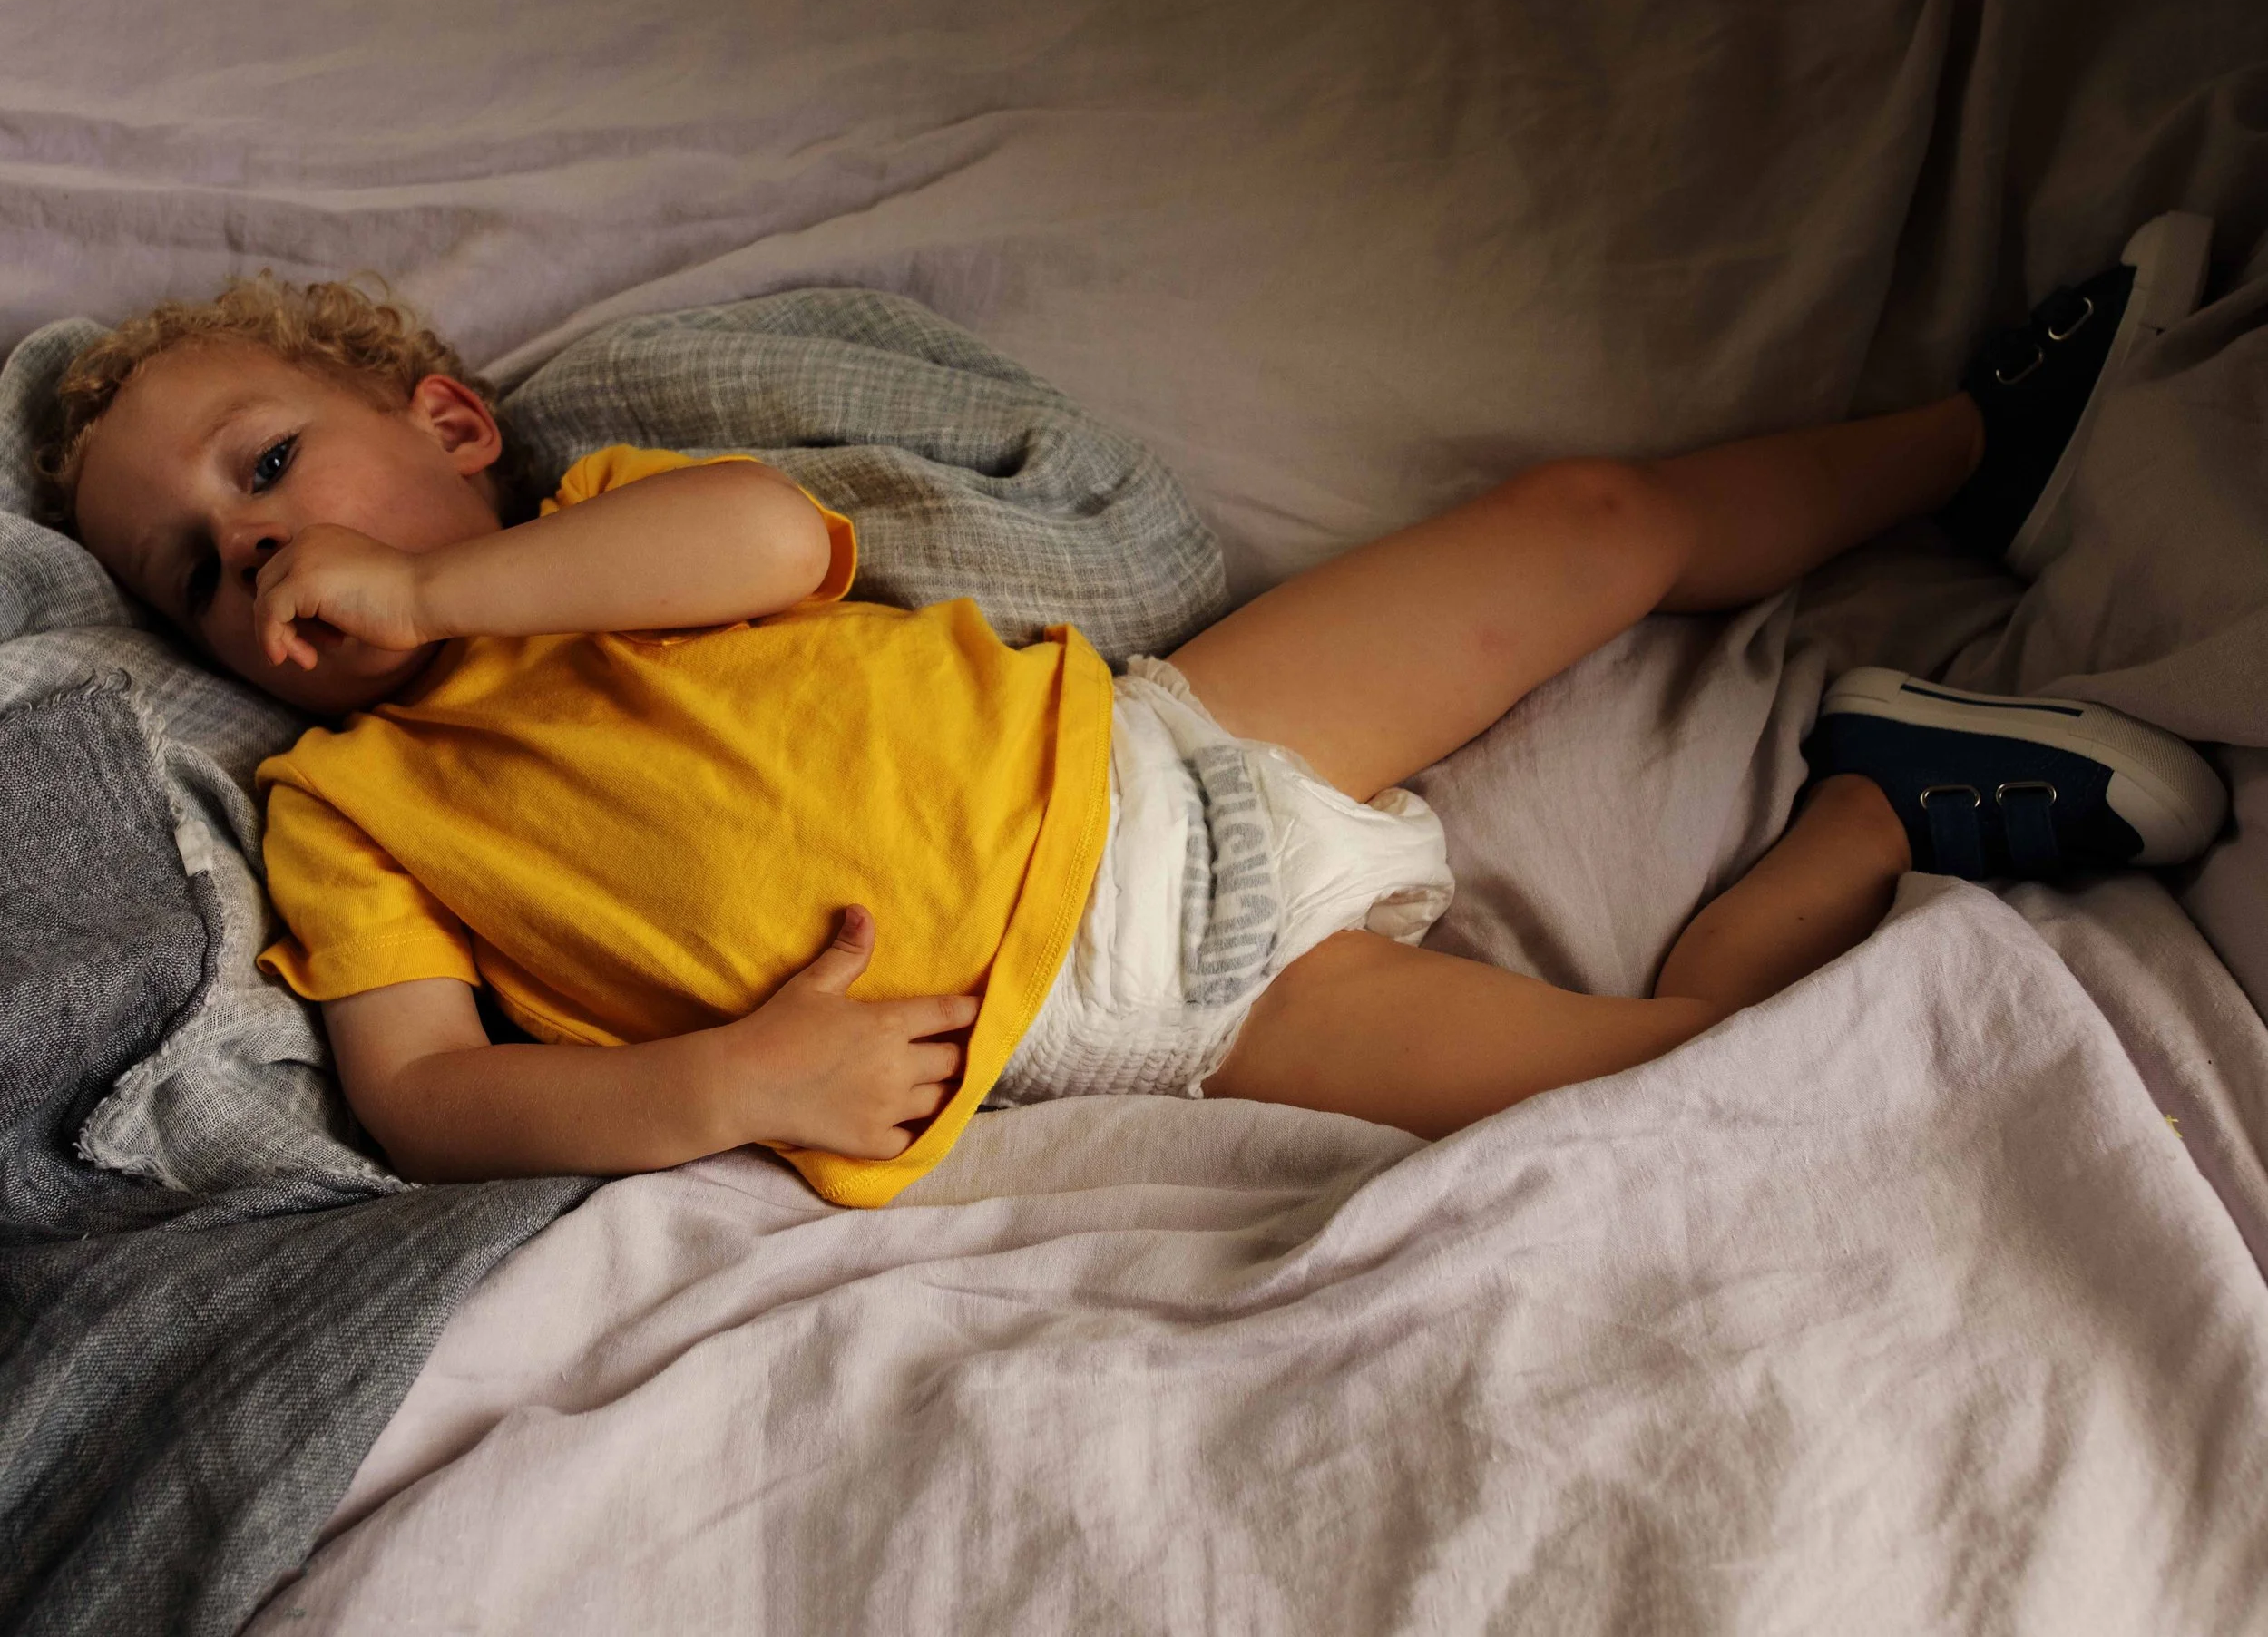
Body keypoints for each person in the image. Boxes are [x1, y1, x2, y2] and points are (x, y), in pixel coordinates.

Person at [34, 224, 2227, 1207]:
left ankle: (1967, 443)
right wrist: (717, 1086)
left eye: (265, 472)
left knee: (1588, 520)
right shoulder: (351, 808)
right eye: (194, 574)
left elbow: (779, 553)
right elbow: (422, 1098)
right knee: (1660, 1081)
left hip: (1162, 741)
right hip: (1153, 1004)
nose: (256, 564)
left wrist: (439, 580)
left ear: (442, 418)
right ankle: (1875, 795)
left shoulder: (594, 531)